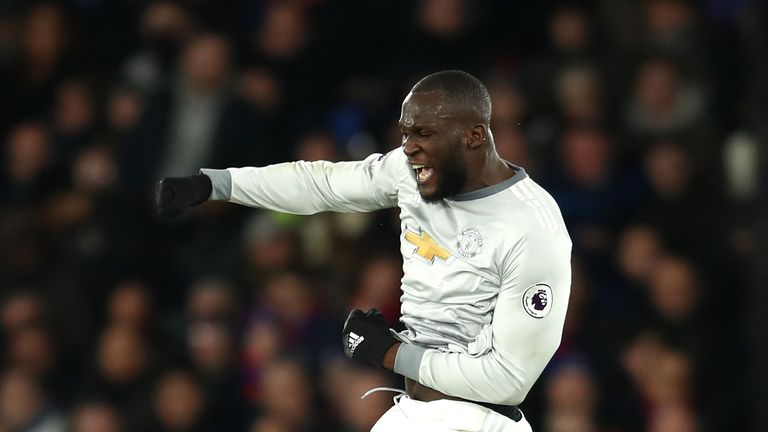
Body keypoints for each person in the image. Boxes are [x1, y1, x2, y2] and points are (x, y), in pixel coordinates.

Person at [156, 70, 572, 431]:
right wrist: (217, 185)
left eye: (423, 133)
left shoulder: (532, 227)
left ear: (474, 135)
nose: (408, 147)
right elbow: (320, 184)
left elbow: (509, 380)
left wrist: (390, 352)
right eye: (406, 132)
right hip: (413, 413)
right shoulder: (411, 173)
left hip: (478, 421)